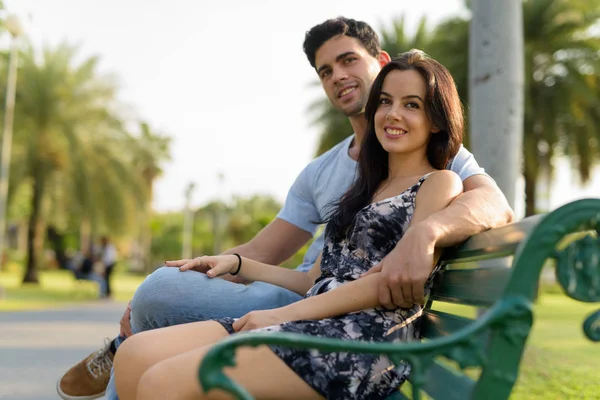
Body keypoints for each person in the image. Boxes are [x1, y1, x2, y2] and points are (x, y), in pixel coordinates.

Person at [56, 16, 512, 400]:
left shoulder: (444, 174)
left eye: (348, 59)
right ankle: (125, 340)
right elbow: (300, 267)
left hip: (356, 337)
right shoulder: (352, 180)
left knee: (159, 375)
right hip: (312, 308)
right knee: (142, 344)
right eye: (325, 70)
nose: (393, 114)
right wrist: (235, 262)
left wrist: (425, 234)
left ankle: (125, 338)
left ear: (434, 116)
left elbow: (489, 207)